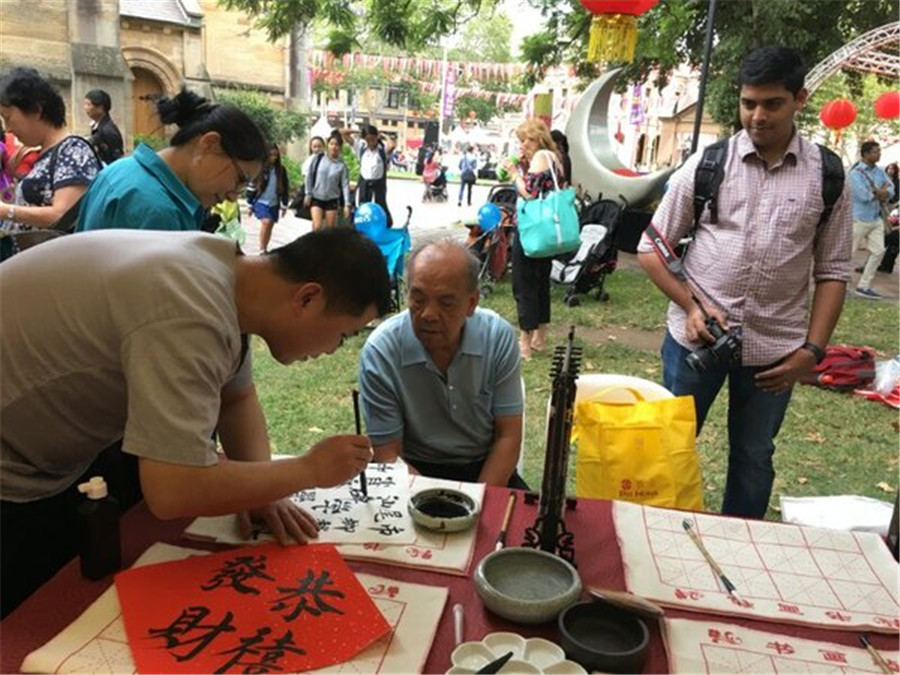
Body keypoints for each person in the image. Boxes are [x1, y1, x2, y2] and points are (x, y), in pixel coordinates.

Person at [0, 226, 392, 618]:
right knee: (34, 615)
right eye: (342, 335)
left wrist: (264, 490)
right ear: (307, 297)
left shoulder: (226, 273)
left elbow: (235, 398)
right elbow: (173, 487)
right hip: (13, 466)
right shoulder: (188, 307)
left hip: (56, 451)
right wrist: (307, 470)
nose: (330, 350)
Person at [636, 46, 852, 519]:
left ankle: (741, 548)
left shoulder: (829, 175)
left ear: (800, 99)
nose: (757, 116)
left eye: (772, 103)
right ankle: (658, 538)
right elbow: (652, 248)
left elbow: (833, 271)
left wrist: (811, 352)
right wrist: (691, 307)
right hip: (696, 343)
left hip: (777, 354)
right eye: (748, 103)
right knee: (667, 450)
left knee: (754, 458)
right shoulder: (709, 163)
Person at [358, 240, 527, 488]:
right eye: (417, 299)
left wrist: (476, 500)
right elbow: (388, 454)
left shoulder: (496, 337)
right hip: (412, 469)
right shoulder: (382, 350)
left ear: (472, 303)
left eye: (446, 303)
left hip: (484, 466)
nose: (428, 314)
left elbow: (508, 436)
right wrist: (437, 501)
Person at [76, 88, 266, 233]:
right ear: (209, 144)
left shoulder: (122, 169)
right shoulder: (160, 212)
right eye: (240, 179)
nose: (233, 196)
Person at [0, 67, 101, 234]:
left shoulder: (73, 150)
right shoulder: (49, 151)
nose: (8, 129)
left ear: (36, 110)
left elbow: (62, 214)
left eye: (8, 118)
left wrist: (6, 211)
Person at [504, 119, 566, 359]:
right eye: (521, 140)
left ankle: (525, 343)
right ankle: (540, 337)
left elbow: (529, 193)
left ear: (538, 138)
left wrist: (513, 175)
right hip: (548, 230)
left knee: (524, 283)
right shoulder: (554, 158)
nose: (523, 144)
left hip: (531, 230)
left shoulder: (540, 156)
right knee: (540, 283)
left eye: (526, 139)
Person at [850, 142, 894, 297]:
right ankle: (837, 282)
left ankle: (864, 285)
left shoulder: (880, 172)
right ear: (866, 154)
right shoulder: (856, 174)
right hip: (859, 218)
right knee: (848, 253)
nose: (879, 154)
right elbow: (864, 196)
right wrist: (881, 191)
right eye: (876, 151)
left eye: (879, 151)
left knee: (879, 251)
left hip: (876, 218)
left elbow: (892, 190)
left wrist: (879, 191)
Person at [303, 130, 350, 230]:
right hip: (316, 197)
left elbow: (345, 185)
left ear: (340, 147)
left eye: (337, 144)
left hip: (331, 200)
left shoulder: (342, 166)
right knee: (317, 226)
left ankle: (325, 246)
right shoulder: (318, 158)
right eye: (331, 144)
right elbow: (309, 175)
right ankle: (313, 245)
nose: (334, 147)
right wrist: (308, 193)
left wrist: (347, 204)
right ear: (327, 145)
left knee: (329, 229)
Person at [252, 144, 291, 253]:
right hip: (261, 201)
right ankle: (261, 248)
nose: (273, 158)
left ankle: (265, 247)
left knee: (270, 225)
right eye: (271, 155)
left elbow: (285, 188)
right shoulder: (261, 168)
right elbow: (252, 186)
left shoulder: (281, 170)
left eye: (275, 155)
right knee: (266, 222)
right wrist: (250, 203)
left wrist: (284, 204)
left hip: (274, 202)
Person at [355, 124, 393, 226]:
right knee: (364, 206)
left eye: (373, 139)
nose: (371, 142)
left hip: (379, 182)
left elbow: (392, 146)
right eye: (368, 140)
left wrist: (384, 135)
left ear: (377, 137)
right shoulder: (361, 148)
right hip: (364, 181)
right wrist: (359, 133)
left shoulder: (382, 149)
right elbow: (343, 133)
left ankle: (384, 225)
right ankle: (364, 226)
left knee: (380, 205)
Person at [83, 89, 124, 165]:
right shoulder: (97, 125)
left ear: (100, 108)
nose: (85, 108)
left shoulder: (108, 130)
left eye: (88, 104)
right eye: (85, 104)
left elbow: (117, 159)